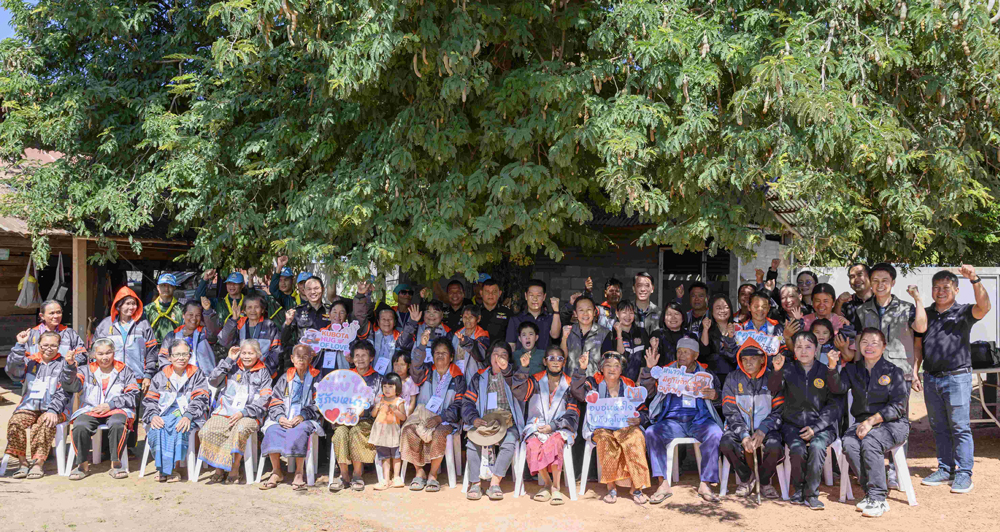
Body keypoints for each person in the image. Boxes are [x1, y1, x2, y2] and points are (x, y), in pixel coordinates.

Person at [918, 265, 989, 494]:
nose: (941, 291)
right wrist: (915, 372)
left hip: (957, 378)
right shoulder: (925, 314)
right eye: (936, 287)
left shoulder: (964, 312)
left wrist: (975, 279)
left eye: (946, 287)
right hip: (930, 378)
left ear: (956, 290)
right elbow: (918, 345)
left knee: (960, 427)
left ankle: (964, 473)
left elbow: (984, 307)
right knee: (939, 428)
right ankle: (945, 469)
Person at [829, 328, 910, 517]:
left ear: (884, 347)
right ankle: (872, 493)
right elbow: (837, 389)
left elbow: (899, 406)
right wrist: (832, 368)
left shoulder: (894, 371)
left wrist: (871, 421)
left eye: (875, 342)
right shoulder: (852, 369)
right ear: (859, 346)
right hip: (863, 423)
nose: (869, 346)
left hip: (893, 424)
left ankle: (878, 498)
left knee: (870, 441)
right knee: (848, 443)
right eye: (864, 342)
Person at [641, 337, 723, 503]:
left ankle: (705, 483)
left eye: (686, 352)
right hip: (672, 421)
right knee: (651, 432)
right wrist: (649, 371)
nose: (682, 355)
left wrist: (715, 396)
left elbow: (720, 396)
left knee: (715, 433)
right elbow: (647, 391)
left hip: (699, 420)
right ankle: (662, 482)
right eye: (679, 351)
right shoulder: (667, 372)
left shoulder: (705, 374)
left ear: (696, 355)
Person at [769, 331, 843, 509]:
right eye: (799, 347)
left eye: (808, 347)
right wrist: (777, 371)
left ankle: (812, 494)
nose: (803, 351)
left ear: (816, 349)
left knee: (817, 446)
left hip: (822, 427)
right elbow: (773, 388)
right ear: (793, 350)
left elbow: (835, 404)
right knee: (797, 449)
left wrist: (816, 428)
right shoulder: (788, 369)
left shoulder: (826, 371)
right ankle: (799, 490)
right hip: (793, 425)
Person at [570, 350, 650, 504]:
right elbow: (577, 392)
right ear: (601, 368)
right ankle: (611, 487)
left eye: (616, 366)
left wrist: (639, 418)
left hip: (625, 427)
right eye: (608, 365)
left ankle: (637, 487)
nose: (612, 369)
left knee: (636, 438)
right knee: (606, 440)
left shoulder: (629, 385)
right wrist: (581, 369)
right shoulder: (592, 383)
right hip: (601, 427)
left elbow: (642, 410)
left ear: (621, 370)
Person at [62, 338, 141, 480]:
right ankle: (82, 465)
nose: (105, 357)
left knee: (118, 424)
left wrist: (111, 405)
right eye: (100, 354)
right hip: (90, 409)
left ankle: (116, 464)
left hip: (116, 409)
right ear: (93, 355)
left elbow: (133, 395)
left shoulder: (124, 370)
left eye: (108, 353)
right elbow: (71, 387)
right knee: (80, 426)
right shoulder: (85, 370)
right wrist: (69, 367)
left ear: (114, 353)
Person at [512, 346, 579, 505]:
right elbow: (520, 393)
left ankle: (556, 487)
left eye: (560, 359)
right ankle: (547, 483)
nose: (556, 362)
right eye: (551, 358)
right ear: (544, 361)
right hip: (536, 425)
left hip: (560, 427)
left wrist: (554, 426)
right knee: (533, 445)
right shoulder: (535, 380)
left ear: (564, 362)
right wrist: (524, 368)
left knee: (555, 442)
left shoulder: (570, 384)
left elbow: (573, 414)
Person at [199, 340, 273, 483]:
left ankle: (234, 466)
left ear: (257, 354)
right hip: (225, 411)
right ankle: (219, 466)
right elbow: (213, 381)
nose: (246, 356)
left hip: (250, 414)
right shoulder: (232, 367)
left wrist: (244, 412)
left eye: (250, 353)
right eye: (244, 353)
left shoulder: (263, 372)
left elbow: (266, 399)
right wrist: (228, 360)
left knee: (239, 429)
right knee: (207, 430)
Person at [718, 341, 784, 499]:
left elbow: (779, 411)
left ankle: (764, 480)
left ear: (763, 360)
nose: (748, 363)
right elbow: (729, 410)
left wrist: (763, 429)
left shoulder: (772, 378)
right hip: (740, 428)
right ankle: (747, 477)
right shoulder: (733, 378)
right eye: (744, 359)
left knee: (775, 445)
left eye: (753, 359)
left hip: (766, 429)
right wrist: (744, 434)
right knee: (726, 444)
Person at [3, 330, 74, 479]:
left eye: (53, 345)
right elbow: (12, 371)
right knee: (15, 422)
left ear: (59, 346)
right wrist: (20, 345)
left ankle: (38, 463)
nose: (49, 348)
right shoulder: (31, 361)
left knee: (45, 422)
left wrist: (53, 409)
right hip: (30, 406)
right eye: (45, 345)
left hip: (56, 409)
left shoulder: (64, 364)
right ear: (39, 345)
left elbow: (66, 390)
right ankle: (23, 463)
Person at [401, 338, 467, 492]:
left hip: (446, 421)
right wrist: (422, 346)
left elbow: (459, 404)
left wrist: (441, 418)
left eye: (444, 353)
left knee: (438, 433)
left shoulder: (458, 377)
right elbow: (415, 366)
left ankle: (433, 474)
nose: (440, 356)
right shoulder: (425, 372)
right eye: (437, 353)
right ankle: (419, 471)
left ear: (451, 357)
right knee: (408, 430)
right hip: (423, 417)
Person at [462, 341, 524, 501]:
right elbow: (467, 402)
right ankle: (475, 483)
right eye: (496, 354)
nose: (499, 358)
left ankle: (494, 484)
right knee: (472, 440)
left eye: (504, 355)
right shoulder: (480, 377)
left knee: (509, 441)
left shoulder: (514, 375)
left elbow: (523, 394)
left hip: (508, 421)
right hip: (486, 420)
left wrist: (508, 372)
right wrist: (473, 418)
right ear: (490, 357)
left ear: (509, 360)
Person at [142, 341, 212, 482]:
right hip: (164, 412)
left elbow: (201, 398)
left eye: (185, 354)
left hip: (190, 414)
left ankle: (173, 469)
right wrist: (154, 415)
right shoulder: (161, 376)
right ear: (169, 358)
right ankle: (163, 468)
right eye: (177, 355)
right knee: (156, 427)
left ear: (190, 356)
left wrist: (188, 416)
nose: (181, 358)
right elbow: (150, 400)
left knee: (178, 425)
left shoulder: (196, 374)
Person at [260, 344, 323, 491]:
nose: (301, 359)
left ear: (311, 359)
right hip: (285, 416)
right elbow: (275, 400)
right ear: (292, 359)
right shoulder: (285, 377)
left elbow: (320, 402)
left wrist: (303, 415)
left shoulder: (317, 377)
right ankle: (276, 472)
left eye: (305, 356)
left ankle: (299, 472)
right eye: (298, 356)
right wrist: (280, 417)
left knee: (300, 430)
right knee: (272, 430)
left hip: (305, 418)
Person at [329, 341, 384, 492]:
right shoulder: (345, 377)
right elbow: (335, 400)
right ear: (352, 359)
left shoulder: (378, 379)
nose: (360, 359)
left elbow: (379, 404)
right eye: (357, 356)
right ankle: (344, 475)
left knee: (356, 432)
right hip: (345, 419)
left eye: (364, 355)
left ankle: (357, 474)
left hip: (367, 420)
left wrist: (365, 409)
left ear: (371, 357)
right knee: (340, 433)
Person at [93, 286, 159, 395]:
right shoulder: (105, 325)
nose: (132, 307)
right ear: (118, 305)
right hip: (110, 379)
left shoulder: (143, 325)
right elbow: (94, 351)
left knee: (135, 410)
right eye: (127, 304)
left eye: (134, 303)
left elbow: (152, 352)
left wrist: (148, 375)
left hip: (137, 380)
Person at [213, 294, 281, 377]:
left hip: (263, 374)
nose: (253, 310)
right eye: (249, 307)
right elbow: (223, 341)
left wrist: (263, 372)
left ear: (262, 310)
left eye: (256, 307)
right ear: (244, 311)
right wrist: (234, 319)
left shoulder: (270, 326)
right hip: (240, 373)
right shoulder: (238, 324)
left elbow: (276, 352)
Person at [13, 300, 86, 365]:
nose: (56, 316)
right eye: (51, 313)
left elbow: (82, 353)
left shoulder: (69, 333)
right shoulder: (31, 334)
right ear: (42, 316)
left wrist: (71, 364)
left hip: (64, 375)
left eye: (59, 312)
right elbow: (22, 360)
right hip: (37, 375)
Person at [369, 372, 408, 490]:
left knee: (396, 455)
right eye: (385, 386)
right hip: (381, 432)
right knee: (385, 457)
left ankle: (396, 477)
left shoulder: (399, 401)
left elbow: (403, 417)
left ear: (397, 388)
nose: (387, 389)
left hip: (393, 432)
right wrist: (376, 408)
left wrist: (395, 410)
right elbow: (373, 415)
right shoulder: (380, 400)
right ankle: (386, 479)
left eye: (391, 386)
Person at [158, 301, 218, 373]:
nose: (194, 318)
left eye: (197, 315)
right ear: (183, 315)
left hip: (203, 380)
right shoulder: (172, 335)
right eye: (191, 314)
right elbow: (163, 357)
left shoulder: (204, 333)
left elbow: (213, 333)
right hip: (178, 380)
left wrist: (208, 311)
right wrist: (171, 375)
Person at [506, 279, 561, 351]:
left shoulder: (550, 318)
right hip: (521, 361)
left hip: (544, 361)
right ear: (526, 296)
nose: (535, 299)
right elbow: (511, 346)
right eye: (531, 295)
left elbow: (555, 335)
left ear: (544, 297)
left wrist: (556, 311)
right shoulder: (515, 319)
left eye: (538, 295)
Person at [281, 276, 332, 354]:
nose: (313, 292)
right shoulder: (297, 311)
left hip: (326, 357)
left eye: (316, 288)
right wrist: (287, 323)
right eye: (309, 289)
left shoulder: (331, 311)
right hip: (305, 358)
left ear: (323, 289)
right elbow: (284, 339)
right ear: (304, 291)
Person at [562, 296, 610, 376]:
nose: (585, 313)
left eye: (589, 309)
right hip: (571, 380)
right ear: (575, 313)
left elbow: (607, 361)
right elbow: (563, 357)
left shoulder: (604, 333)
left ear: (594, 312)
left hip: (594, 383)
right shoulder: (568, 330)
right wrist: (564, 338)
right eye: (581, 310)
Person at [602, 300, 649, 382]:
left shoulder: (642, 333)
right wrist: (619, 334)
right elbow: (618, 359)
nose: (628, 316)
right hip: (618, 384)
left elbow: (645, 359)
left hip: (639, 383)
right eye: (624, 312)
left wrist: (638, 383)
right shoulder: (611, 336)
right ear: (617, 314)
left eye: (631, 313)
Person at [407, 302, 462, 371]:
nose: (431, 315)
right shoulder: (416, 328)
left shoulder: (448, 332)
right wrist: (412, 322)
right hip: (417, 370)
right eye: (428, 311)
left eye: (435, 312)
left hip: (440, 371)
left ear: (442, 315)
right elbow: (404, 344)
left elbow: (452, 356)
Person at [371, 305, 418, 375]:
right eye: (383, 319)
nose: (386, 321)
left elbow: (406, 336)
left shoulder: (399, 338)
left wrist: (413, 321)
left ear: (395, 322)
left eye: (390, 319)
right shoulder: (372, 336)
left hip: (392, 381)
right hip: (371, 380)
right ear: (378, 321)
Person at [700, 294, 738, 377]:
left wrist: (730, 336)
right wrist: (705, 330)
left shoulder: (738, 327)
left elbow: (736, 356)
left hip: (733, 376)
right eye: (718, 308)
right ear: (711, 311)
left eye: (726, 307)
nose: (722, 310)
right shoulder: (707, 327)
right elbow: (704, 352)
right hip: (711, 375)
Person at [649, 301, 697, 367]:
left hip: (686, 376)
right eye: (669, 314)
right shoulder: (657, 335)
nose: (673, 317)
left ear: (683, 317)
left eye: (676, 314)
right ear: (664, 318)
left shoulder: (691, 336)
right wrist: (654, 348)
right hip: (663, 375)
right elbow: (650, 360)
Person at [144, 273, 186, 343]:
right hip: (153, 349)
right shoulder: (148, 309)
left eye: (170, 286)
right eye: (163, 285)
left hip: (174, 349)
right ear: (158, 287)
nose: (166, 289)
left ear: (174, 288)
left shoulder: (181, 309)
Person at [456, 304, 490, 378]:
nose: (467, 320)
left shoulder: (482, 336)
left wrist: (466, 342)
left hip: (475, 377)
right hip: (458, 375)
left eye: (471, 317)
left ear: (478, 319)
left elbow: (480, 355)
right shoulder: (457, 334)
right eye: (465, 317)